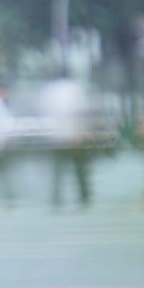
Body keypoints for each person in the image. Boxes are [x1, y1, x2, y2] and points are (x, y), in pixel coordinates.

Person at [43, 74, 94, 208]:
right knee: (79, 169)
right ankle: (84, 197)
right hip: (72, 136)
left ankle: (56, 199)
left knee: (58, 170)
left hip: (56, 136)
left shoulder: (50, 90)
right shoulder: (75, 89)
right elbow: (78, 113)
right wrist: (80, 133)